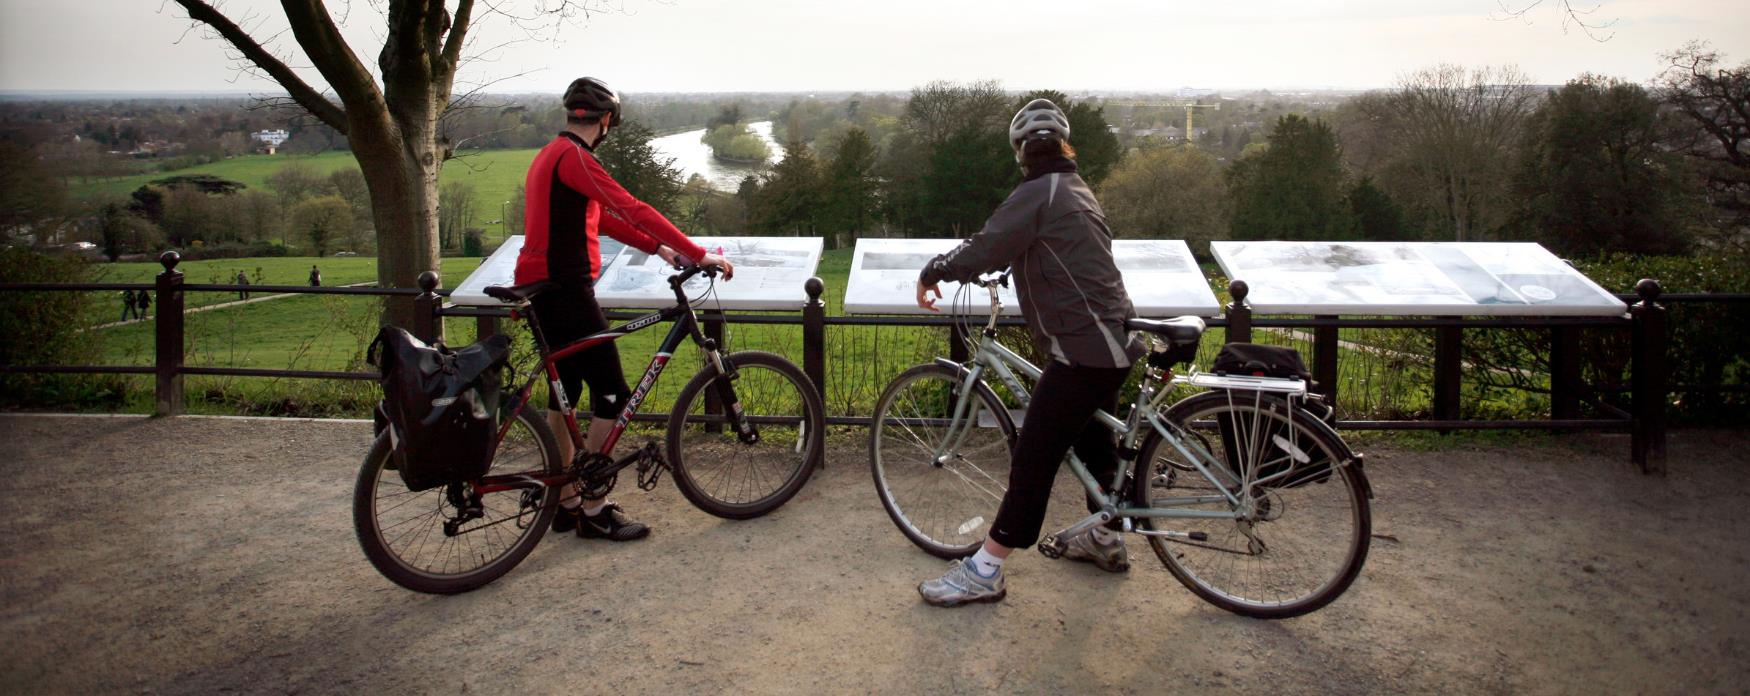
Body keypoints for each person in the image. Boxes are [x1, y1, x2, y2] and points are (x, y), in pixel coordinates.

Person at [914, 99, 1145, 607]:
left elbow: (984, 245)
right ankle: (1106, 536)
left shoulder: (1036, 194)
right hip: (1114, 342)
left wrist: (934, 269)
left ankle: (986, 569)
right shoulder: (1076, 189)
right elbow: (1046, 249)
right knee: (1092, 444)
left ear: (1021, 152)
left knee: (1033, 459)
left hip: (1083, 351)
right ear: (1064, 145)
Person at [514, 76, 735, 542]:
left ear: (571, 114)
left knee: (564, 395)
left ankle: (566, 499)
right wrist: (697, 253)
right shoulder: (576, 156)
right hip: (567, 287)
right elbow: (629, 205)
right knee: (613, 392)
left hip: (540, 286)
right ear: (607, 120)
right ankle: (593, 507)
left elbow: (602, 218)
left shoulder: (550, 154)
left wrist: (658, 248)